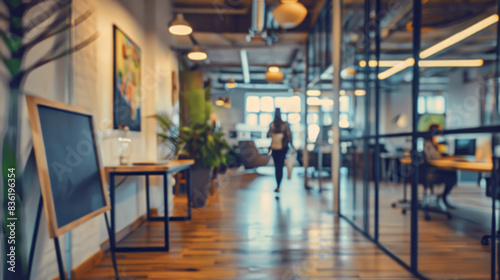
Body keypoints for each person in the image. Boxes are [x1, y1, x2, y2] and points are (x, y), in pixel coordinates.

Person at [423, 124, 457, 209]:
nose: (441, 134)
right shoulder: (428, 143)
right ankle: (443, 197)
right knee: (452, 176)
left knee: (451, 173)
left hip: (429, 171)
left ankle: (443, 197)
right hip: (430, 173)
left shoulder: (431, 143)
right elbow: (435, 158)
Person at [267, 108, 294, 192]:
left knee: (277, 167)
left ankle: (278, 184)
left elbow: (268, 135)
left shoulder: (272, 125)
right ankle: (278, 184)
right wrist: (292, 146)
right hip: (282, 149)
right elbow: (289, 136)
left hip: (277, 149)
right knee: (280, 167)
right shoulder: (284, 125)